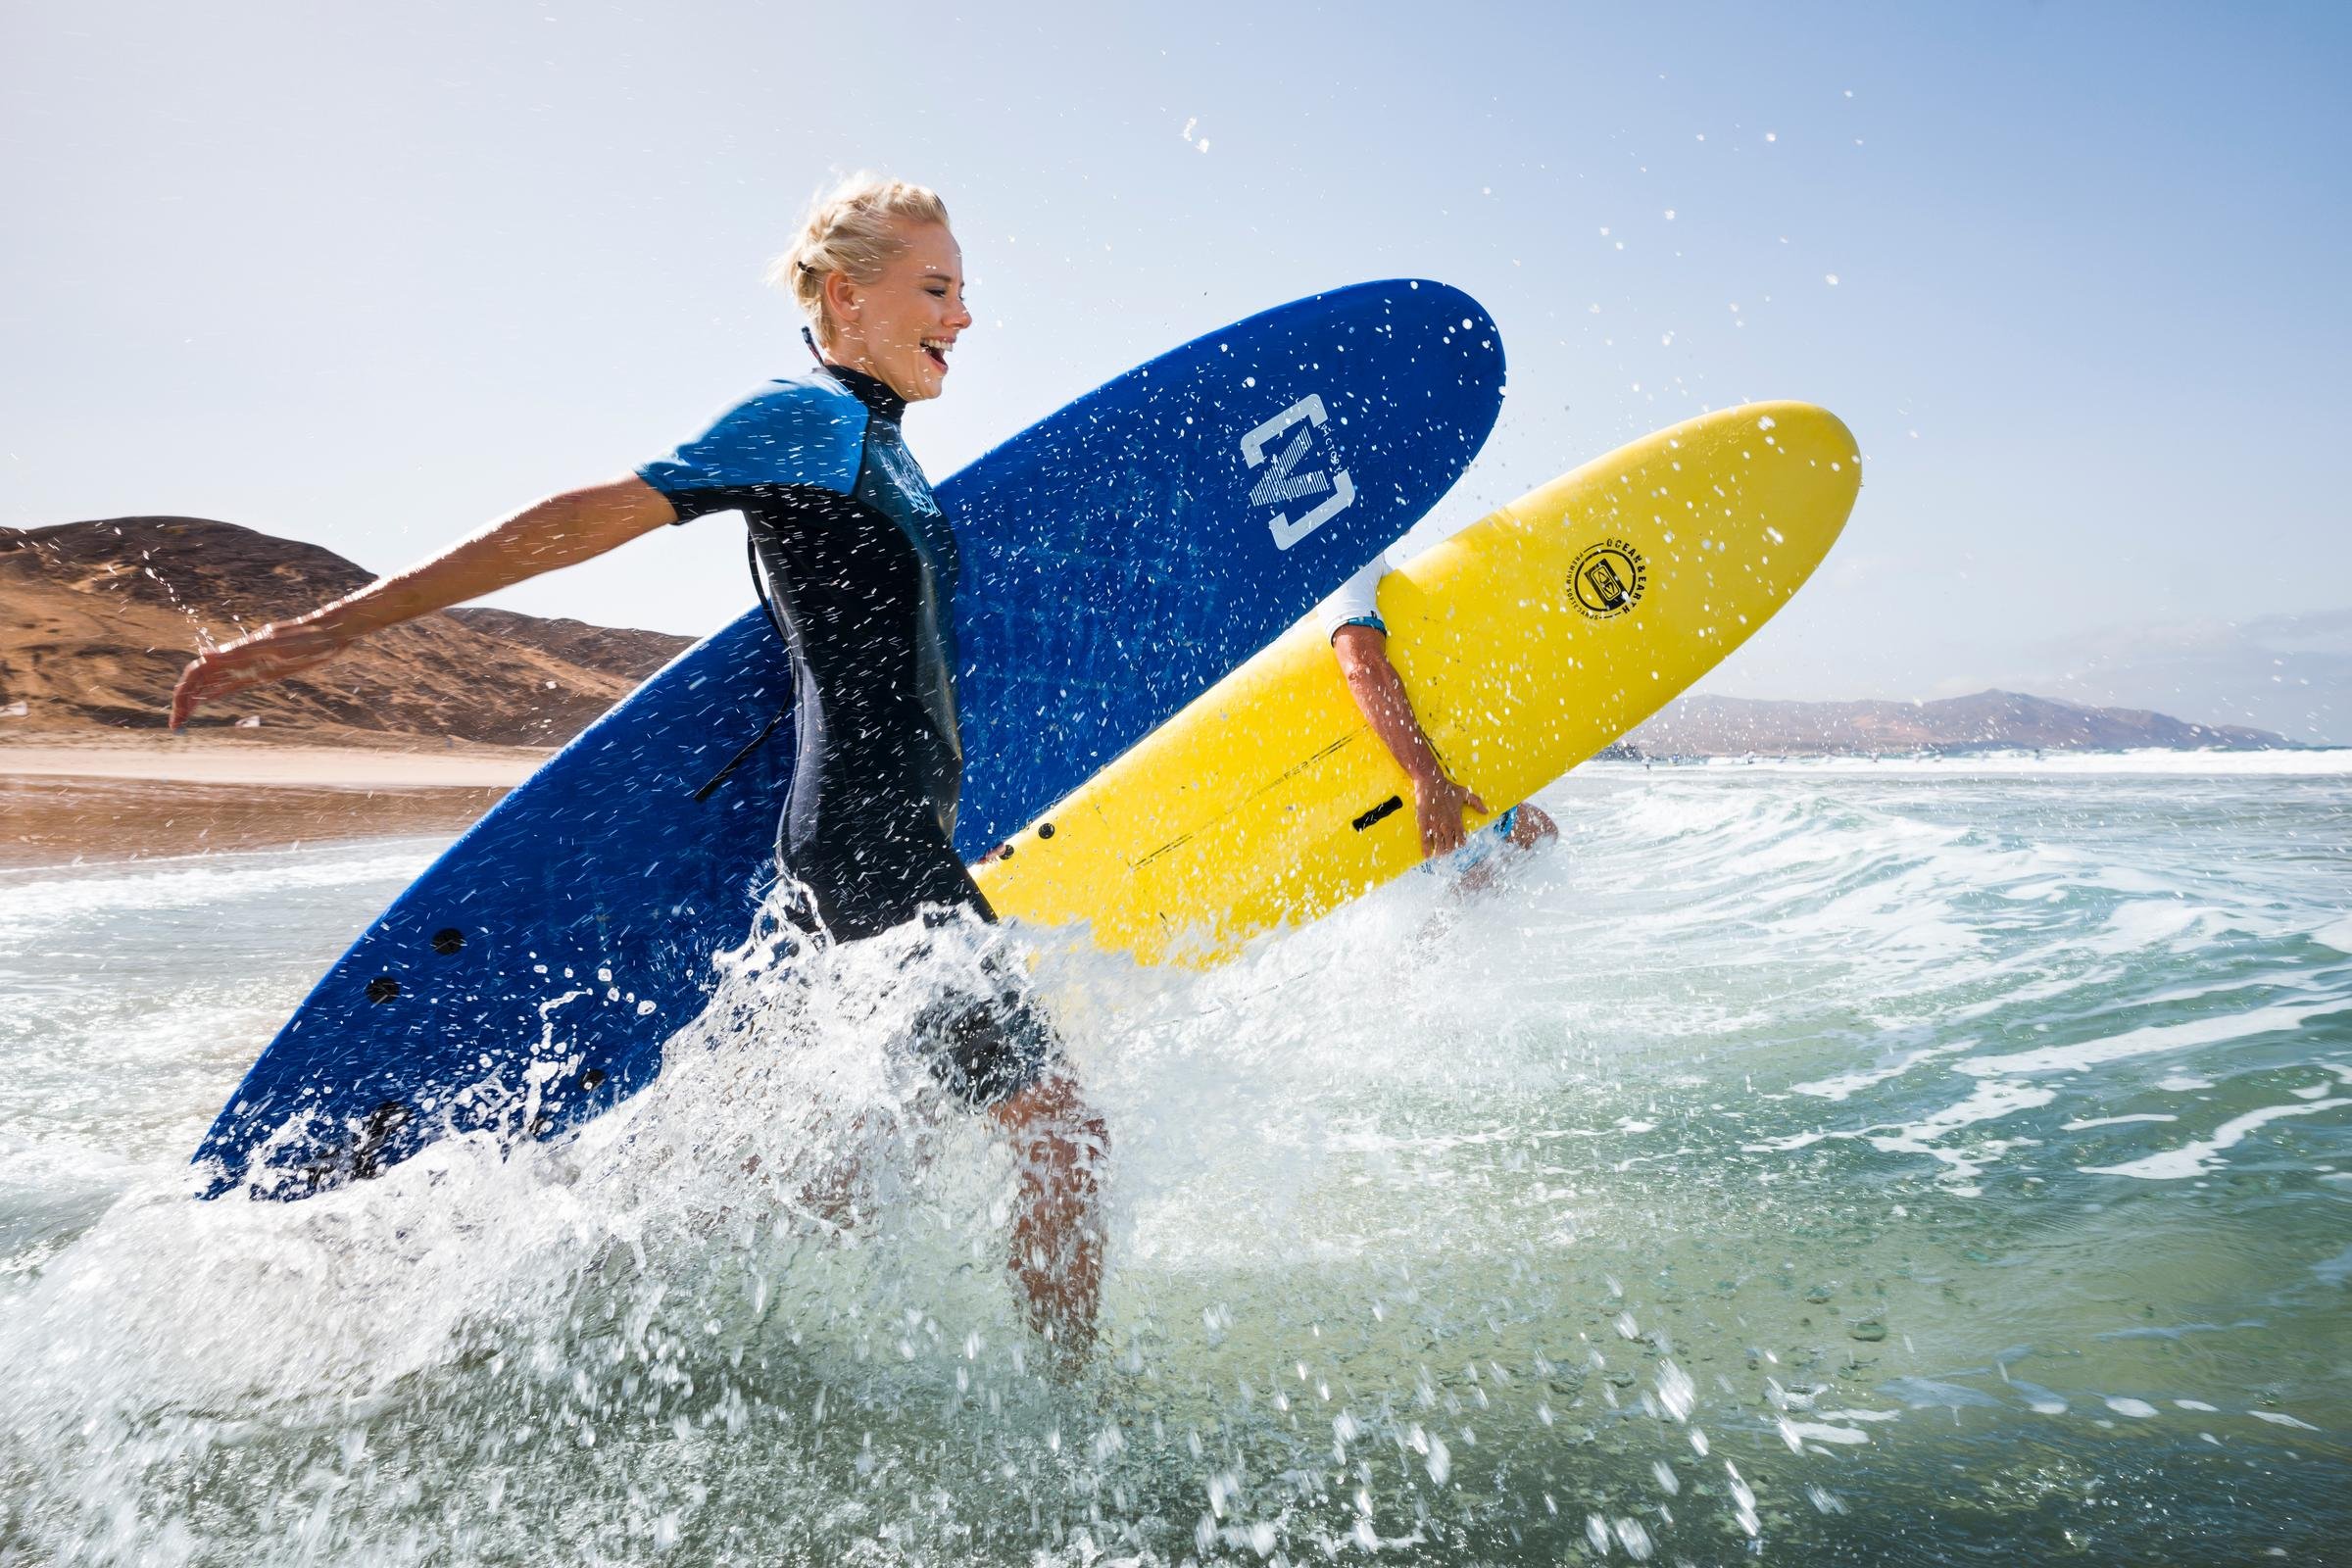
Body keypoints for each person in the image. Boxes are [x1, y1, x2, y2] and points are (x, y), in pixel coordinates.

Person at [169, 174, 1105, 1355]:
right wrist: (348, 623)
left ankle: (582, 1313)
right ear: (846, 295)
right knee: (1061, 1134)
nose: (963, 318)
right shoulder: (805, 418)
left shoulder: (881, 447)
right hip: (871, 850)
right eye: (936, 290)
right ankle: (1066, 1428)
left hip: (888, 842)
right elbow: (580, 517)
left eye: (964, 293)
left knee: (868, 1155)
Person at [1317, 549, 1558, 876]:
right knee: (1531, 839)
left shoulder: (1343, 560)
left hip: (1383, 785)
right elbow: (1362, 667)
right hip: (1401, 788)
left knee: (1538, 834)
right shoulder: (1345, 557)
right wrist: (1426, 775)